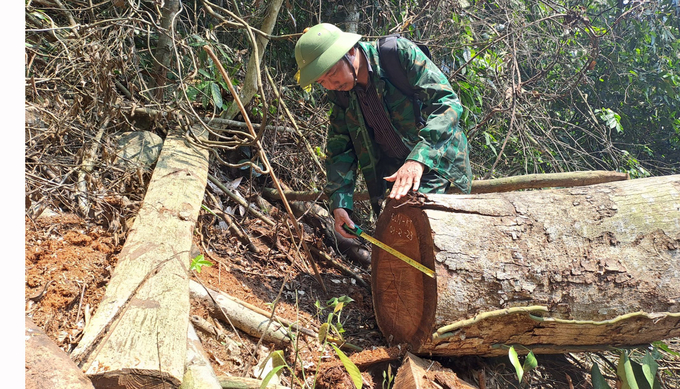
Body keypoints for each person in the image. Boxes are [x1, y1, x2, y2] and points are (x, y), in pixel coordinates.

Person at [294, 23, 472, 239]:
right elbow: (340, 146)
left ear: (350, 51)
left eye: (332, 73)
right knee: (400, 237)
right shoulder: (341, 93)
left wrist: (418, 159)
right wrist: (340, 203)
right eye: (322, 82)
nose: (330, 85)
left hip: (438, 162)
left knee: (431, 235)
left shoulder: (396, 55)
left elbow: (447, 104)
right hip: (396, 174)